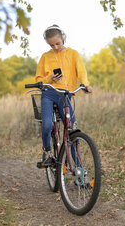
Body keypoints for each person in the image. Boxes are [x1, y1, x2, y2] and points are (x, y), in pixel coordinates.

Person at [35, 24, 92, 168]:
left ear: (63, 39)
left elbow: (81, 71)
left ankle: (80, 170)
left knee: (72, 131)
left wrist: (85, 84)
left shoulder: (73, 54)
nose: (55, 47)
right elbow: (38, 79)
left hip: (65, 95)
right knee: (47, 125)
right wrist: (49, 79)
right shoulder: (45, 57)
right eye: (51, 45)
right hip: (49, 93)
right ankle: (47, 152)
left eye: (57, 43)